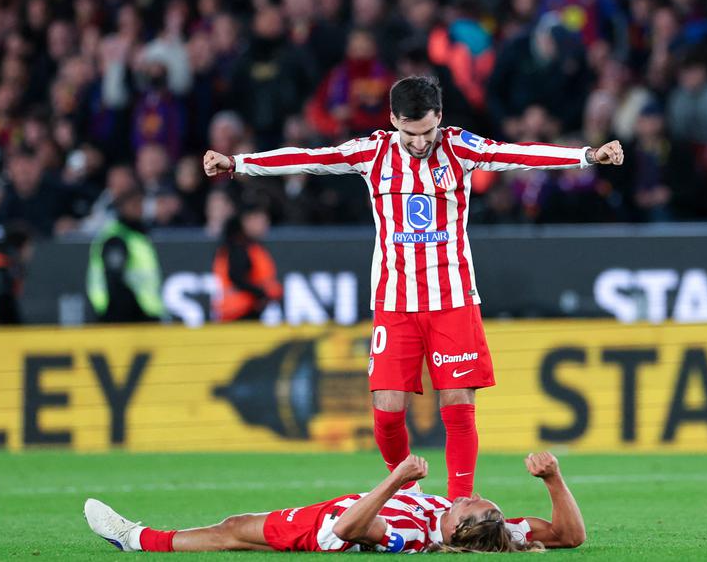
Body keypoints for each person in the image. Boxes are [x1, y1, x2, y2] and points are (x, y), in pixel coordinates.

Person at [202, 76, 623, 501]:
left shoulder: (460, 148)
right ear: (393, 120)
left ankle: (460, 506)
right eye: (409, 133)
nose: (419, 143)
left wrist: (588, 156)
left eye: (426, 132)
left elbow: (519, 154)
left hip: (453, 300)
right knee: (386, 415)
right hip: (394, 303)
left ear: (439, 117)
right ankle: (411, 496)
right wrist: (238, 164)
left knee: (457, 406)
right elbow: (309, 158)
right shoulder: (373, 152)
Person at [83, 451, 585, 553]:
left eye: (468, 504)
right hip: (343, 514)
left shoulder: (413, 536)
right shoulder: (497, 532)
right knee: (234, 529)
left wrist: (395, 480)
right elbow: (569, 536)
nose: (469, 495)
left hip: (324, 530)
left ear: (455, 531)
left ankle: (136, 539)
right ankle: (138, 539)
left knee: (234, 529)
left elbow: (349, 530)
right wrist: (555, 479)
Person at [86, 186, 165, 323]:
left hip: (145, 313)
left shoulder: (137, 236)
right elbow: (114, 282)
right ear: (122, 208)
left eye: (141, 204)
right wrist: (132, 312)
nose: (139, 209)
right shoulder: (116, 238)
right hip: (121, 317)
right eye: (134, 205)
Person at [213, 202, 283, 322]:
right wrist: (263, 294)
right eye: (261, 221)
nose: (265, 225)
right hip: (239, 313)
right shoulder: (238, 247)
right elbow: (236, 276)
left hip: (245, 312)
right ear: (247, 221)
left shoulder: (246, 246)